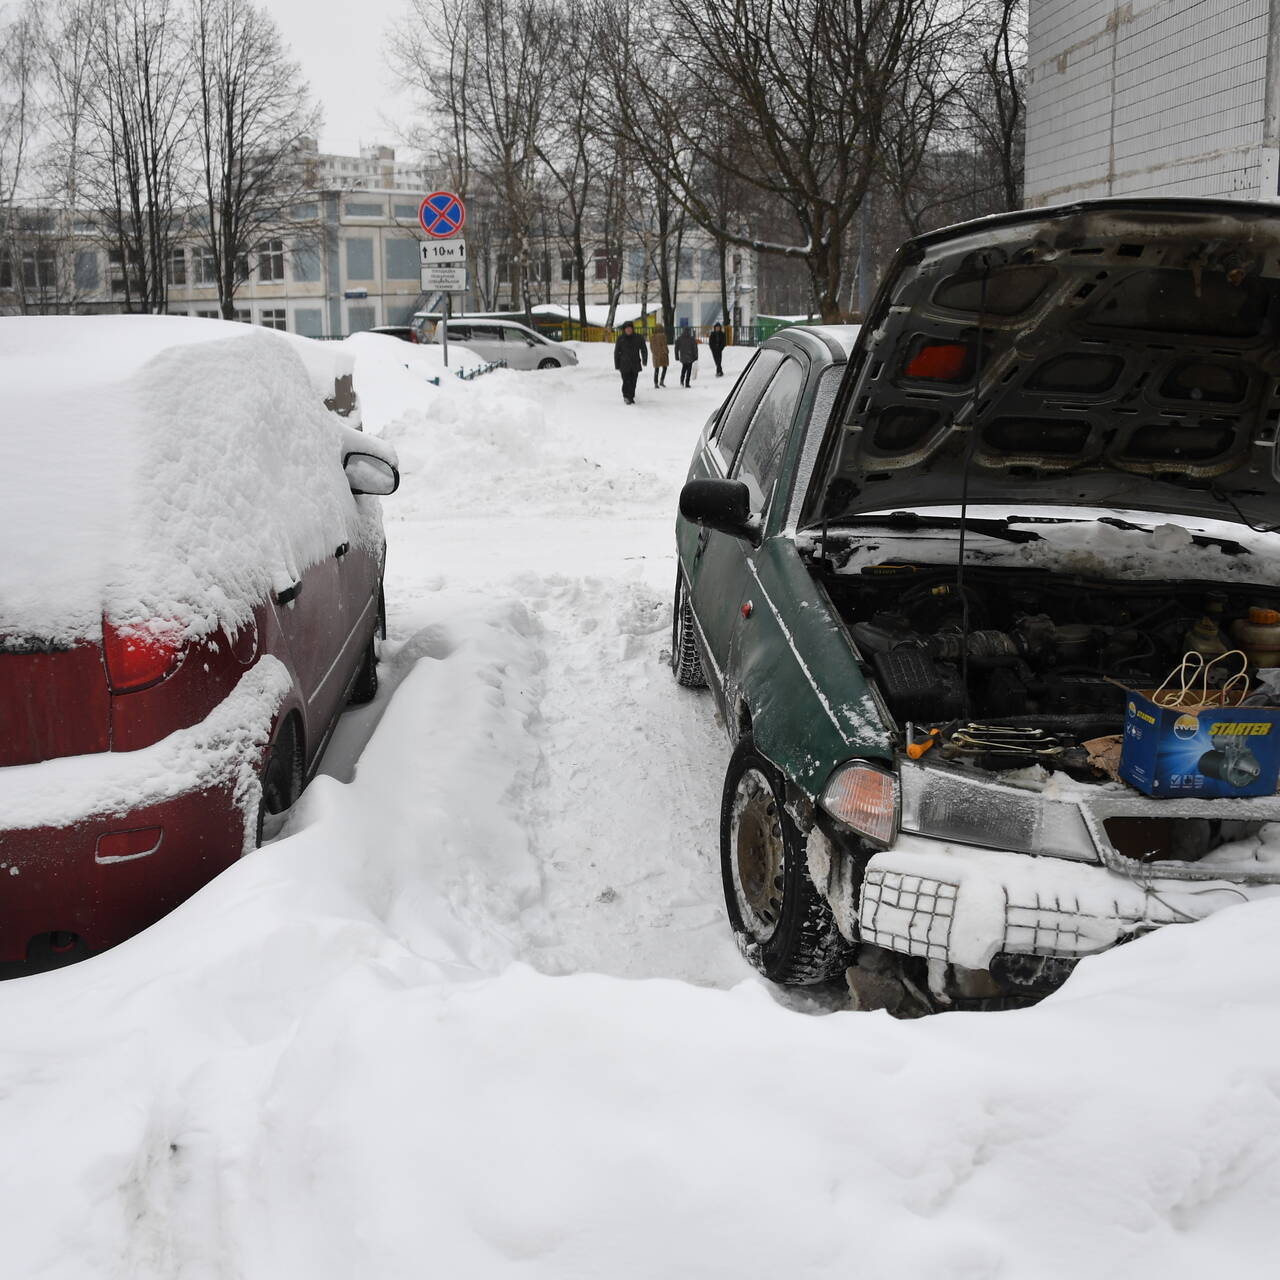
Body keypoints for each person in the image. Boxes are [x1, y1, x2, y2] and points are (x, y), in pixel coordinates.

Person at [613, 320, 648, 404]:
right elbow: (616, 352)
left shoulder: (638, 338)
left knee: (633, 382)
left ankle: (631, 396)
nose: (628, 330)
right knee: (626, 381)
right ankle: (626, 396)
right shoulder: (620, 339)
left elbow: (644, 349)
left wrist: (644, 359)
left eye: (630, 328)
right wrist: (617, 364)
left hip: (635, 363)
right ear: (624, 330)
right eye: (627, 328)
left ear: (632, 329)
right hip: (624, 364)